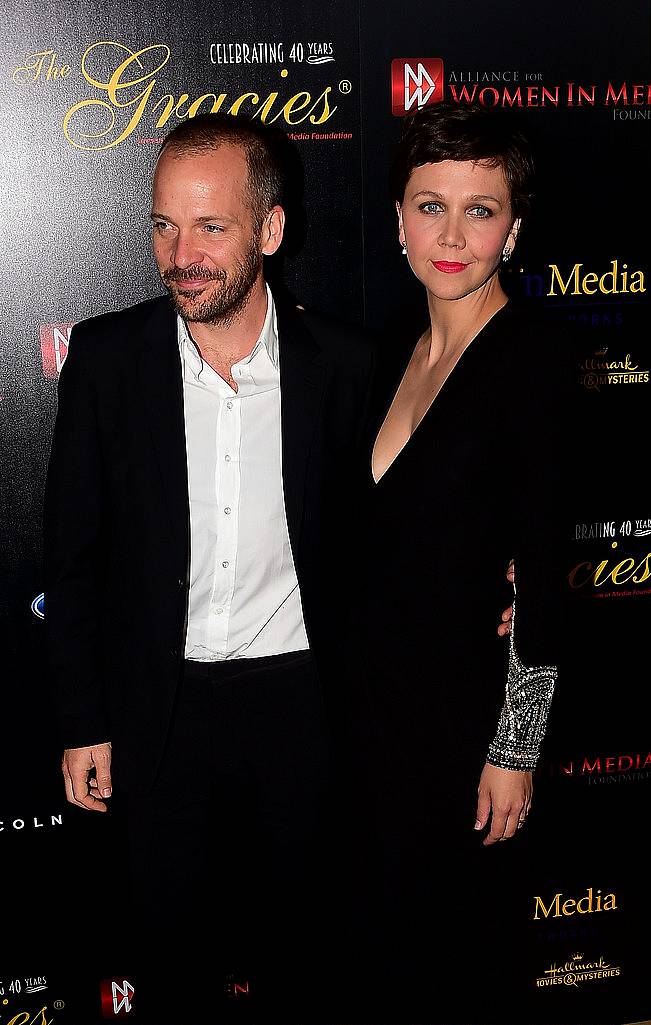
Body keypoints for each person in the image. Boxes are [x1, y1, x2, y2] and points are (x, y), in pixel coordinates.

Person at [44, 112, 373, 1023]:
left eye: (210, 227)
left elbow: (387, 537)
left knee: (308, 968)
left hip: (302, 711)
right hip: (159, 713)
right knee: (169, 969)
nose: (179, 254)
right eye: (163, 224)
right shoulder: (108, 361)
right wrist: (83, 720)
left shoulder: (344, 366)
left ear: (268, 230)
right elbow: (71, 560)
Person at [352, 103, 562, 1022]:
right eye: (428, 204)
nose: (450, 234)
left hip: (461, 724)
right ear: (397, 216)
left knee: (454, 966)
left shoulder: (533, 360)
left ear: (513, 228)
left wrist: (513, 749)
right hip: (370, 719)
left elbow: (544, 573)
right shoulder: (387, 352)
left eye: (479, 210)